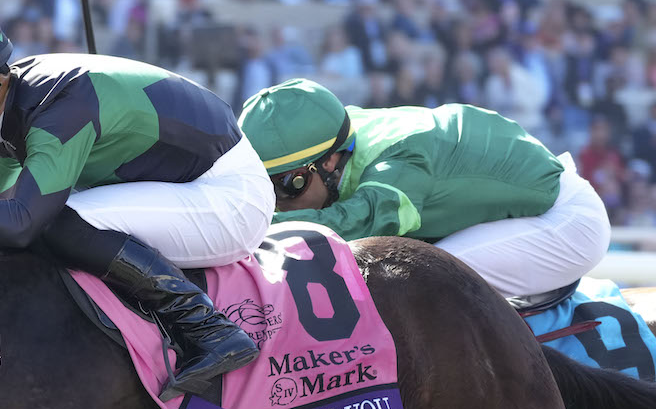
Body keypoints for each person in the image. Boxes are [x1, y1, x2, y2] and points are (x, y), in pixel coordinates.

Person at [0, 5, 273, 398]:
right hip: (190, 184)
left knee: (58, 223)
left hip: (229, 196)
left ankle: (208, 328)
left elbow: (21, 222)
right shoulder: (4, 110)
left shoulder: (58, 108)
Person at [237, 78, 610, 300]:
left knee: (411, 281)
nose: (279, 205)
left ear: (330, 161)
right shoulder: (332, 132)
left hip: (563, 222)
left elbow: (361, 223)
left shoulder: (398, 158)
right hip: (504, 212)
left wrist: (251, 228)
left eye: (287, 186)